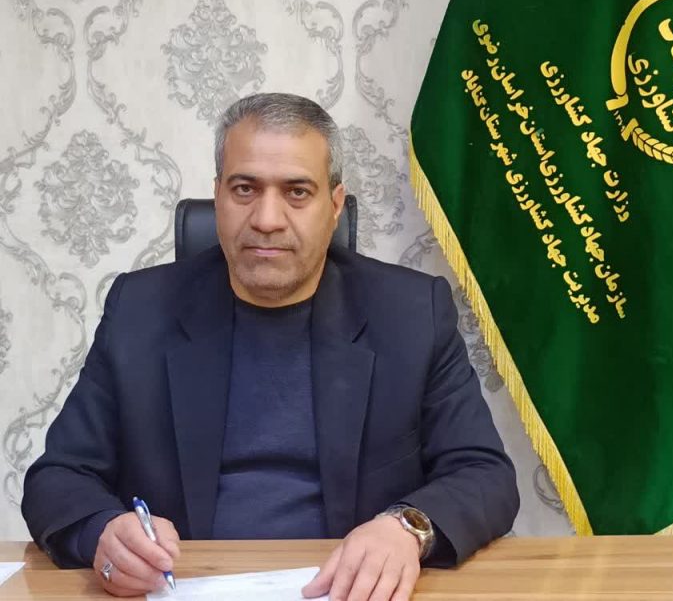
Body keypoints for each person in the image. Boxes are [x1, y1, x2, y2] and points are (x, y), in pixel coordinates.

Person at [21, 93, 519, 600]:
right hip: (186, 588)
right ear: (217, 196)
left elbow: (484, 474)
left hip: (348, 591)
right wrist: (104, 533)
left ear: (335, 206)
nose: (266, 218)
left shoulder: (411, 313)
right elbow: (57, 477)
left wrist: (407, 528)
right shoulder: (140, 311)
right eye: (245, 189)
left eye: (297, 192)